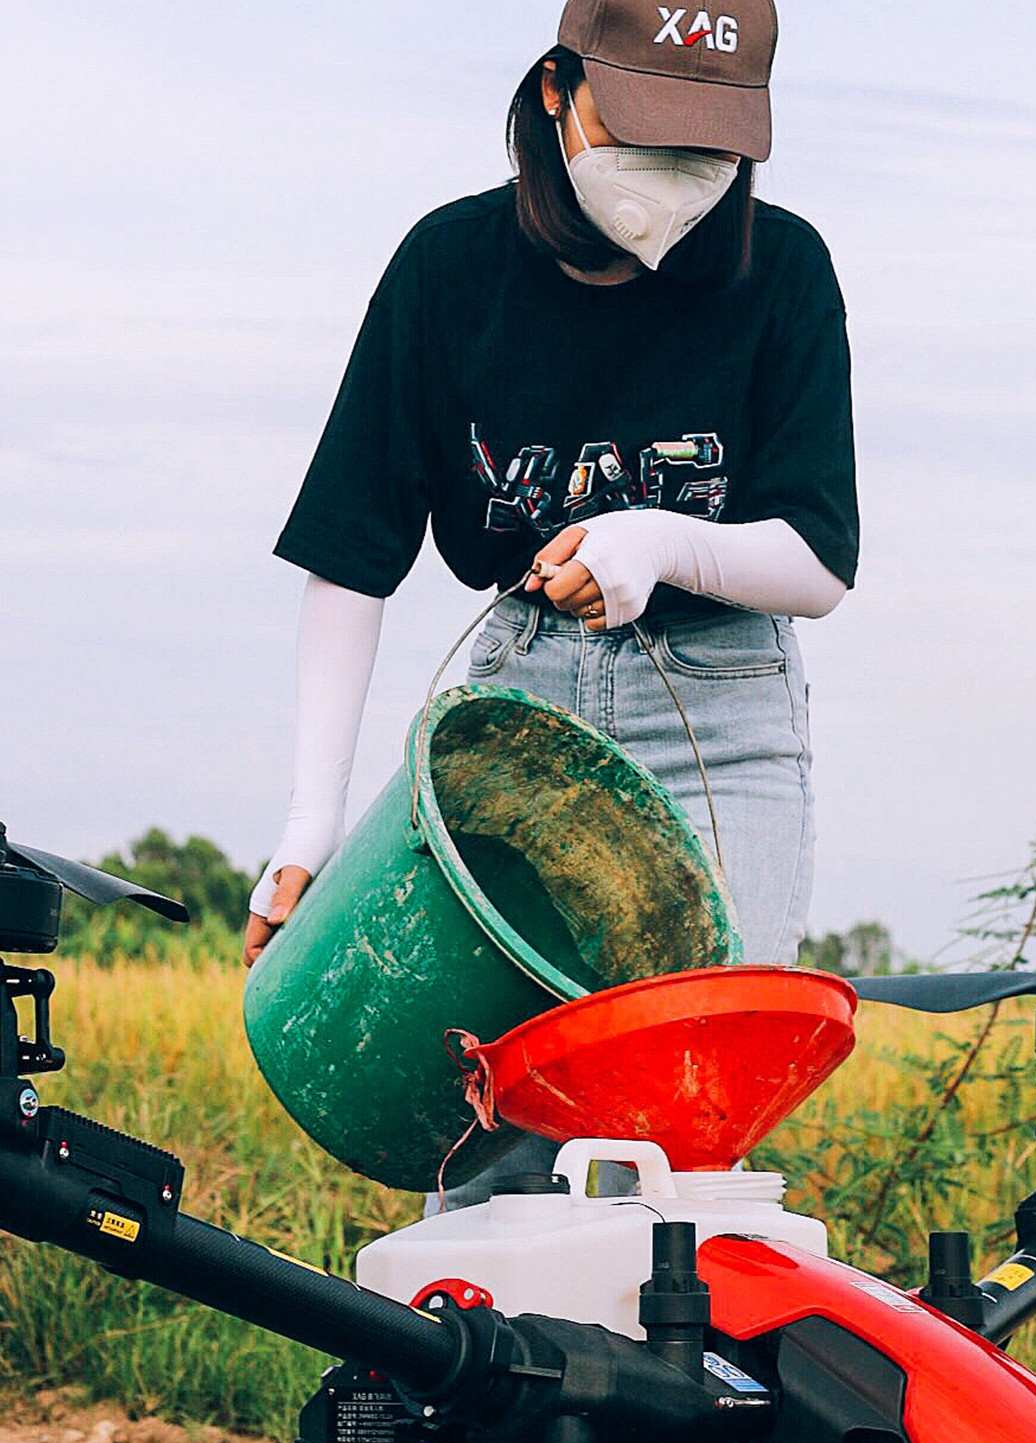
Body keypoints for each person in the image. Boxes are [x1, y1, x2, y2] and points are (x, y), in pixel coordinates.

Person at [242, 0, 858, 1211]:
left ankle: (670, 1398)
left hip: (720, 714)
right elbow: (354, 554)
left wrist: (663, 542)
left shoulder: (782, 269)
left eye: (708, 148)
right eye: (646, 137)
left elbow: (819, 562)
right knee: (487, 1128)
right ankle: (477, 1387)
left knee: (682, 1138)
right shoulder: (450, 269)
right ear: (556, 94)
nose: (675, 182)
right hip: (518, 704)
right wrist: (312, 822)